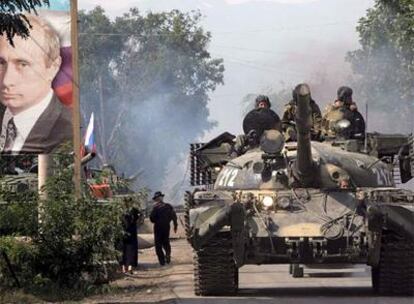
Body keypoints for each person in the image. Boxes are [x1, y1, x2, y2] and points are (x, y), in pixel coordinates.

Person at [0, 14, 72, 154]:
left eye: (22, 64)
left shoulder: (67, 132)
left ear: (53, 67)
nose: (7, 81)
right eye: (1, 63)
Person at [150, 191, 178, 266]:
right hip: (166, 227)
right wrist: (175, 226)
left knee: (158, 244)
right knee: (166, 242)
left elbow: (152, 219)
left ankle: (162, 261)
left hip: (158, 228)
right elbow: (174, 216)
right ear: (162, 198)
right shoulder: (168, 206)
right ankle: (168, 254)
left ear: (156, 199)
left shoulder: (155, 208)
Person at [121, 201, 141, 274]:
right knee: (131, 250)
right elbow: (139, 217)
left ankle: (123, 268)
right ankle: (130, 267)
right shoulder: (134, 210)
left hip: (122, 233)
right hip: (132, 233)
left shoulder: (120, 210)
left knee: (122, 250)